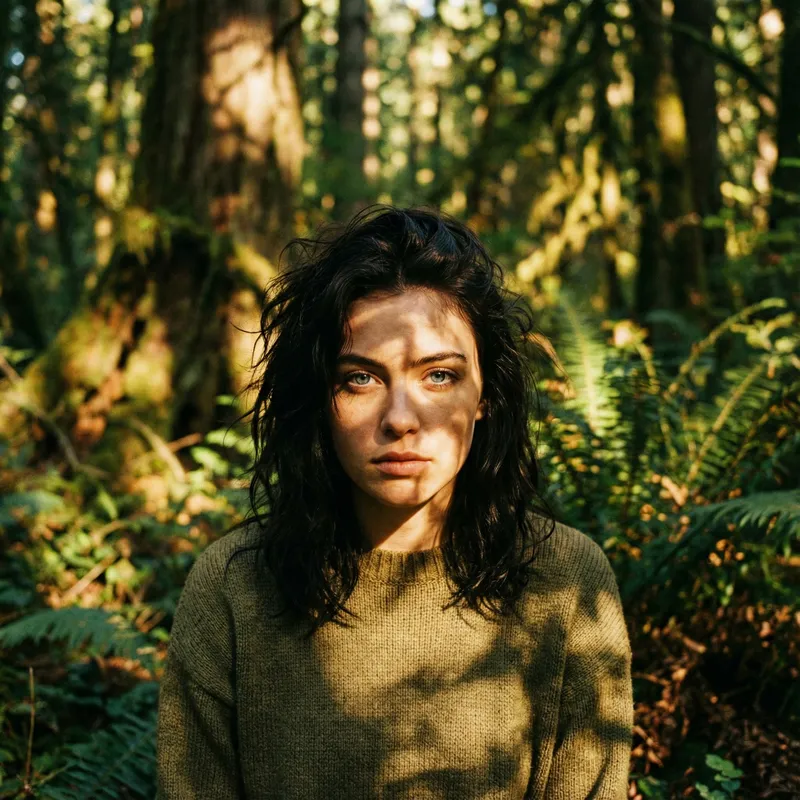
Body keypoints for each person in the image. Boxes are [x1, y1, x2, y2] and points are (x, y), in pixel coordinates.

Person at [155, 206, 634, 799]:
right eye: (360, 378)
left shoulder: (565, 581)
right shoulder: (233, 589)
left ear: (484, 393)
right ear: (319, 398)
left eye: (438, 376)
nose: (400, 421)